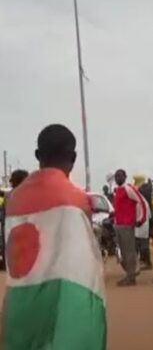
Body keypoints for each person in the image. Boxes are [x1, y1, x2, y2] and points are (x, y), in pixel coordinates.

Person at [2, 124, 107, 350]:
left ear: (38, 155)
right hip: (62, 300)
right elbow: (84, 264)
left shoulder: (14, 199)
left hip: (23, 300)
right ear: (74, 157)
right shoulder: (77, 200)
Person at [113, 169, 150, 286]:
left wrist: (140, 219)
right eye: (116, 176)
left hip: (128, 225)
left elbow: (141, 202)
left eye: (120, 176)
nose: (117, 178)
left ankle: (131, 277)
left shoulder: (129, 189)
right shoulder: (118, 191)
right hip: (119, 224)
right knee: (123, 252)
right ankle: (129, 274)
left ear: (125, 177)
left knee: (129, 251)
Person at [136, 180, 153, 271]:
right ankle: (146, 262)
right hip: (143, 226)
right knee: (143, 246)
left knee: (143, 246)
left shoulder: (142, 202)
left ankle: (147, 263)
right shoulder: (146, 202)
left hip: (142, 226)